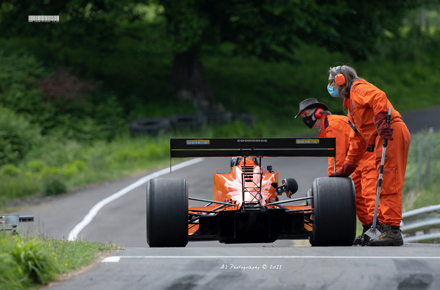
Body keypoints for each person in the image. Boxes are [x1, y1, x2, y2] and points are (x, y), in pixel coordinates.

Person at [327, 65, 411, 246]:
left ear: (341, 80)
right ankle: (381, 228)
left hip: (389, 132)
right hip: (383, 135)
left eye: (332, 80)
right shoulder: (351, 106)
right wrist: (347, 168)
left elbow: (378, 96)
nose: (331, 85)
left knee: (388, 179)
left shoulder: (358, 88)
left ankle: (392, 230)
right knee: (380, 182)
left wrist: (380, 120)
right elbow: (357, 140)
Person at [295, 98, 377, 245]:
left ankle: (377, 230)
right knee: (357, 196)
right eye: (302, 117)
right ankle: (368, 231)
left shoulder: (333, 126)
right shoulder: (327, 127)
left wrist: (331, 187)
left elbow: (337, 158)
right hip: (359, 161)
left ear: (319, 112)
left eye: (306, 114)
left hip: (368, 158)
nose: (305, 119)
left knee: (368, 194)